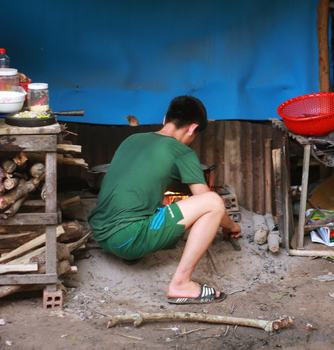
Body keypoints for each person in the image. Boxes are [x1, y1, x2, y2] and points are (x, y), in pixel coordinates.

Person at [88, 96, 241, 304]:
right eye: (194, 135)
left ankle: (131, 254)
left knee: (143, 207)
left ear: (164, 119)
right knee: (213, 202)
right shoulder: (181, 152)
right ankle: (181, 284)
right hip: (126, 238)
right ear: (192, 129)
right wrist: (231, 226)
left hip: (100, 231)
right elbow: (209, 202)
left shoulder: (131, 140)